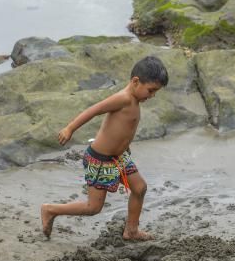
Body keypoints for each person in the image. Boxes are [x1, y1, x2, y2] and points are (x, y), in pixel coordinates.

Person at [40, 55, 169, 241]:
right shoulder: (123, 98)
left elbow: (124, 129)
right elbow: (95, 110)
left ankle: (131, 231)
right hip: (100, 159)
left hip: (119, 157)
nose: (152, 96)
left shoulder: (135, 100)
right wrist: (69, 128)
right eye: (151, 90)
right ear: (135, 81)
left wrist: (126, 146)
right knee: (93, 207)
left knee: (139, 188)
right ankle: (50, 209)